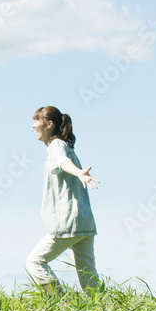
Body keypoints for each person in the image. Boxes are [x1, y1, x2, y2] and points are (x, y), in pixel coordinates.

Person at [25, 106, 101, 294]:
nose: (33, 126)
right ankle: (101, 307)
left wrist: (79, 173)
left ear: (49, 124)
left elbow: (62, 162)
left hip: (68, 221)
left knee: (35, 261)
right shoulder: (66, 146)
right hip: (84, 221)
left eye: (36, 121)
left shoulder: (56, 145)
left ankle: (61, 304)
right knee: (88, 274)